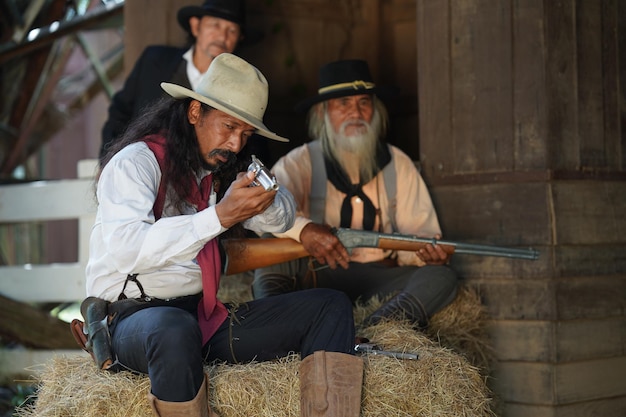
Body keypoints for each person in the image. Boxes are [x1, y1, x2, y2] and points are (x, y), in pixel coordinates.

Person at [84, 53, 363, 417]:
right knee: (172, 329)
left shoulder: (217, 167)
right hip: (135, 323)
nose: (235, 144)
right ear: (195, 111)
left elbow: (282, 220)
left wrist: (265, 199)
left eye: (245, 134)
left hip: (203, 317)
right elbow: (128, 249)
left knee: (330, 307)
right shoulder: (135, 163)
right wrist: (219, 216)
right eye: (229, 127)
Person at [252, 59, 459, 330]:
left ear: (375, 110)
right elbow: (262, 211)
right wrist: (304, 230)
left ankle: (376, 331)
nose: (356, 113)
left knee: (441, 277)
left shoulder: (399, 164)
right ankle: (277, 328)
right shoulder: (301, 162)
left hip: (381, 280)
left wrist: (427, 254)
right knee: (271, 264)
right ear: (323, 113)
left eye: (364, 102)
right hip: (316, 276)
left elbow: (419, 235)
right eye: (343, 104)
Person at [100, 0, 267, 162]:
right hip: (142, 169)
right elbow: (120, 111)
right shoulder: (154, 61)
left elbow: (252, 141)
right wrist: (108, 160)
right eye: (215, 25)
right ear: (196, 26)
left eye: (231, 30)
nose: (222, 37)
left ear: (240, 38)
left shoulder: (245, 87)